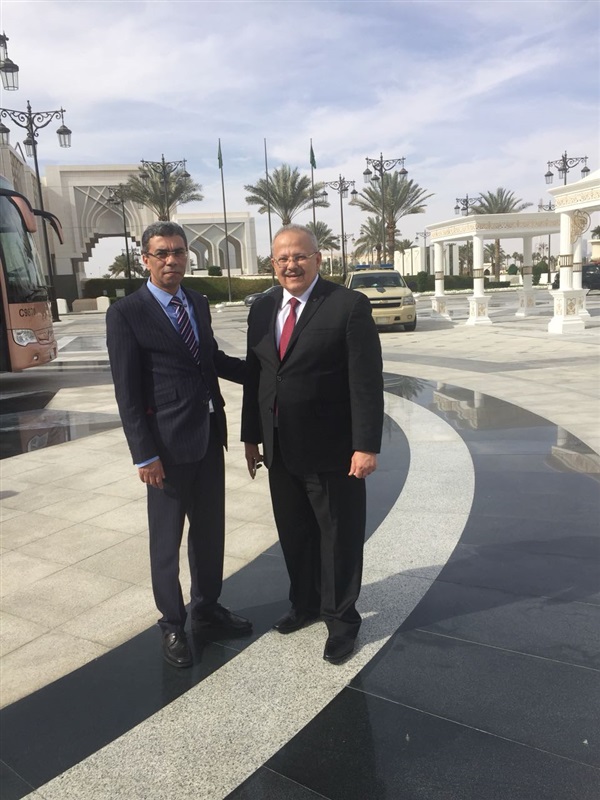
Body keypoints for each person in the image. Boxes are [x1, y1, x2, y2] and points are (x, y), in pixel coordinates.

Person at [106, 221, 251, 668]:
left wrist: (265, 372)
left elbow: (210, 359)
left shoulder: (197, 302)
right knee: (167, 543)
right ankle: (172, 623)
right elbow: (127, 392)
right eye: (162, 253)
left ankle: (207, 607)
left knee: (209, 533)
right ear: (145, 260)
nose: (172, 260)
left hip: (207, 436)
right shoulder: (127, 313)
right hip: (166, 450)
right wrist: (144, 454)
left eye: (178, 252)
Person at [242, 224, 384, 664]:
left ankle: (341, 620)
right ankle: (304, 604)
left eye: (300, 256)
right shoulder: (262, 308)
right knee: (295, 533)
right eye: (283, 258)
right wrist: (251, 435)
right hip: (280, 447)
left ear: (318, 259)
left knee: (338, 536)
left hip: (332, 450)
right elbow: (257, 376)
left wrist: (366, 445)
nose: (292, 265)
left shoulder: (348, 306)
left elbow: (365, 381)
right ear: (273, 264)